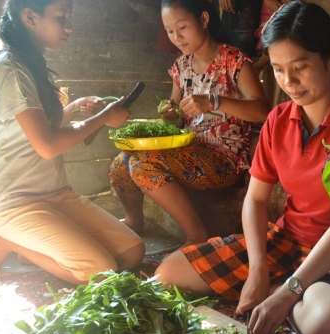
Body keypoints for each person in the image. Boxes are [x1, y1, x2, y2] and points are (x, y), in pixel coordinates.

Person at [155, 1, 330, 334]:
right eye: (278, 70)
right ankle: (281, 288)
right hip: (285, 243)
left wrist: (286, 292)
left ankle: (286, 292)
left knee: (328, 324)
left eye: (300, 67)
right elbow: (256, 198)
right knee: (167, 274)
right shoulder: (278, 119)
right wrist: (258, 267)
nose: (289, 81)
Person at [0, 0, 145, 285]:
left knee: (132, 252)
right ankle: (10, 239)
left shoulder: (27, 60)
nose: (69, 27)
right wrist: (103, 117)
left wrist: (75, 108)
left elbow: (37, 128)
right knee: (102, 273)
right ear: (30, 16)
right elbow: (48, 144)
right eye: (61, 18)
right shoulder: (9, 67)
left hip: (54, 193)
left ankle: (33, 246)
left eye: (69, 17)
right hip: (14, 202)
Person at [109, 0, 270, 245]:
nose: (176, 37)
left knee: (144, 166)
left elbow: (262, 110)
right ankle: (134, 221)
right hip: (189, 149)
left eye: (182, 27)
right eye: (170, 31)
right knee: (121, 161)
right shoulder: (181, 66)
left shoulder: (234, 60)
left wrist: (214, 101)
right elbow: (177, 117)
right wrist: (169, 113)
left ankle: (196, 236)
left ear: (204, 20)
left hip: (224, 159)